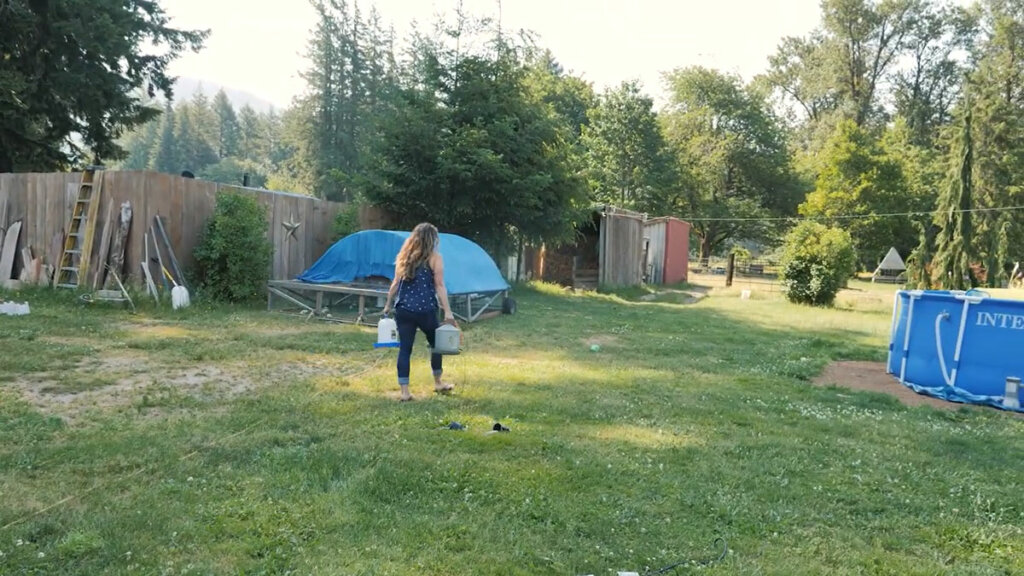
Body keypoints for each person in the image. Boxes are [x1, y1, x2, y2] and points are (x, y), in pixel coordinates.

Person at [382, 223, 456, 401]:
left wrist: (387, 304)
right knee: (436, 345)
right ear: (432, 240)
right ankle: (438, 382)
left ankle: (405, 392)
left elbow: (395, 284)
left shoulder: (404, 257)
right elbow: (439, 285)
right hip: (426, 310)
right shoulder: (435, 258)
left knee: (405, 349)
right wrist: (448, 312)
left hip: (404, 310)